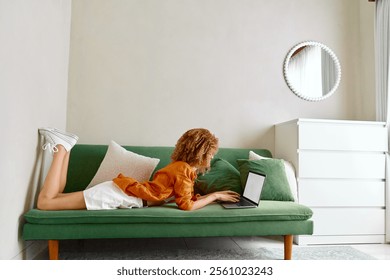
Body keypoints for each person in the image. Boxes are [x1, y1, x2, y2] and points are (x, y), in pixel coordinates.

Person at [37, 127, 240, 211]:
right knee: (46, 203)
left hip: (120, 192)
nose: (212, 158)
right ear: (201, 152)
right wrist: (214, 196)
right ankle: (62, 148)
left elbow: (184, 196)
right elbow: (186, 205)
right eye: (211, 153)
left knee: (55, 197)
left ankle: (66, 149)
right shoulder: (184, 169)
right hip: (120, 196)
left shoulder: (182, 168)